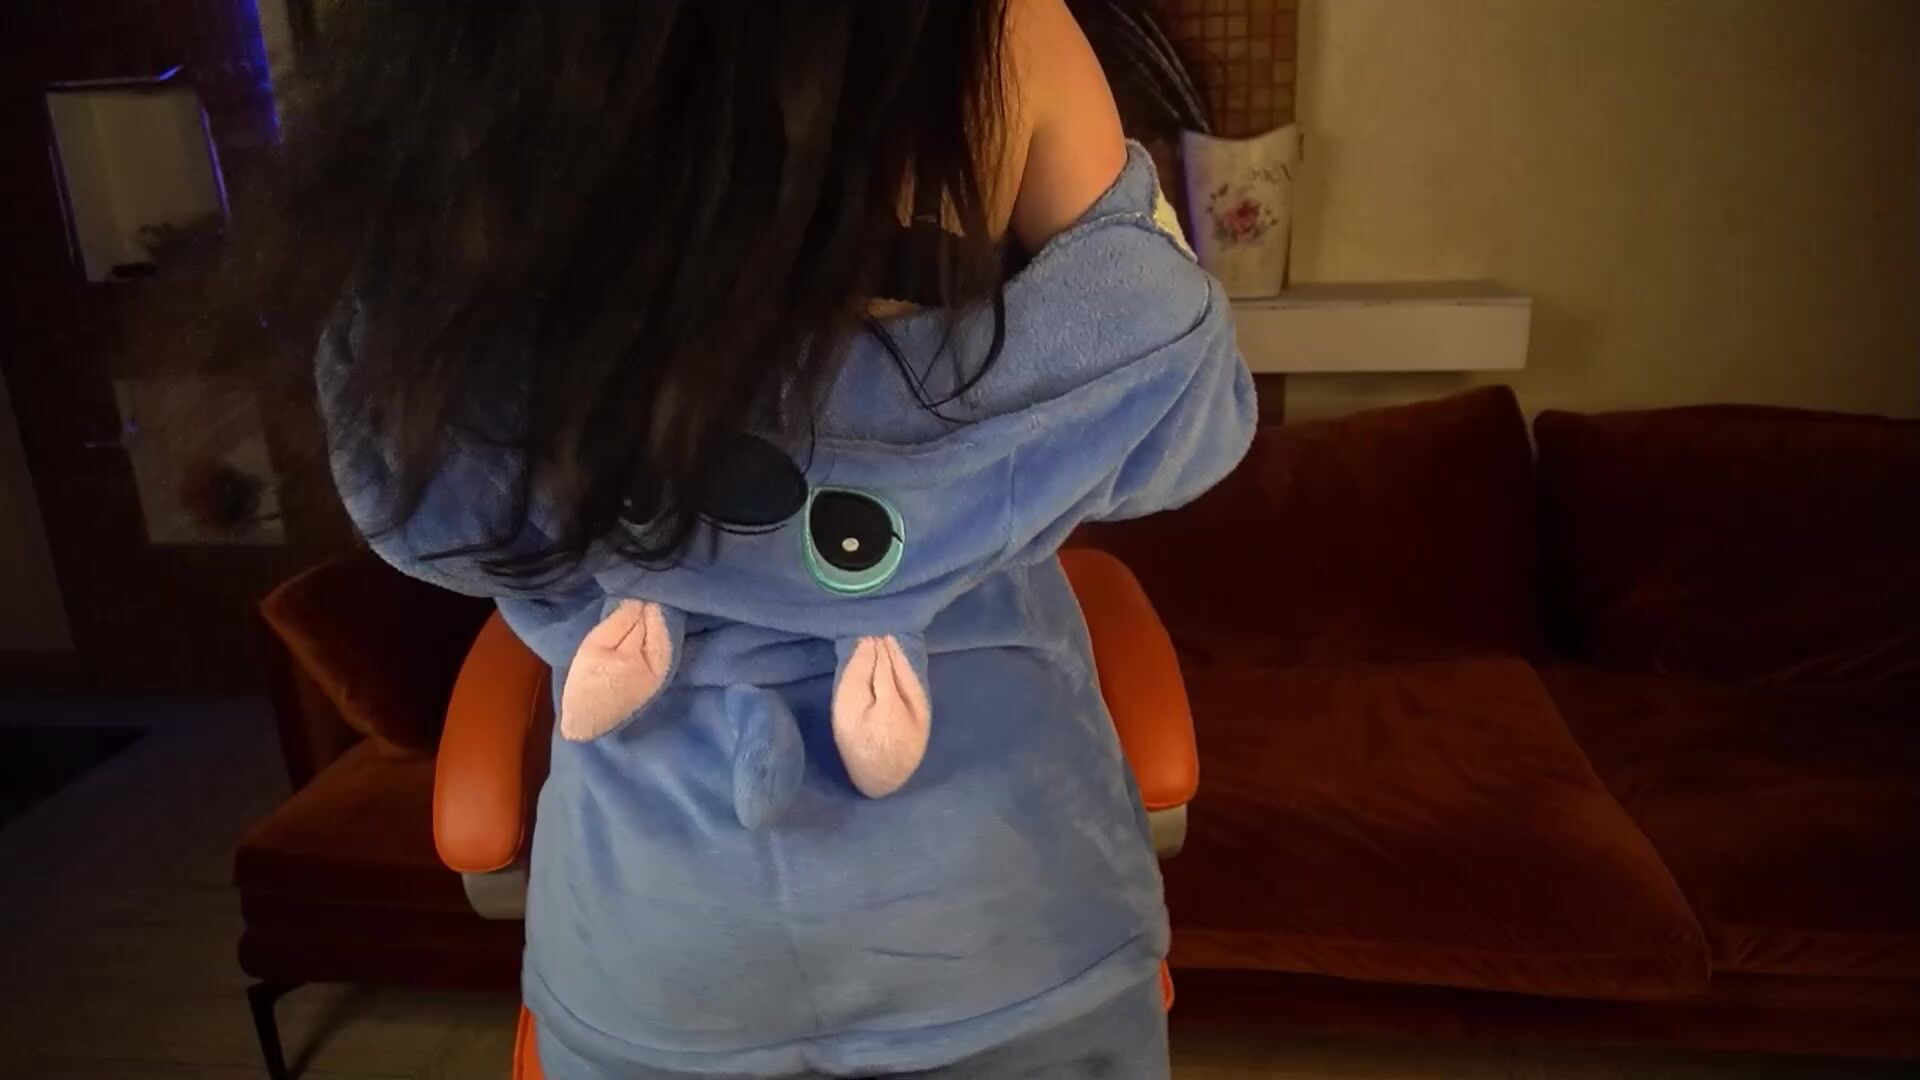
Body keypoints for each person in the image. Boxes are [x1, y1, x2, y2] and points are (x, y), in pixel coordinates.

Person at [296, 2, 1255, 1076]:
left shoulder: (481, 45)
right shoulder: (1000, 26)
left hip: (658, 957)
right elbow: (1181, 414)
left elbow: (415, 493)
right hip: (1004, 924)